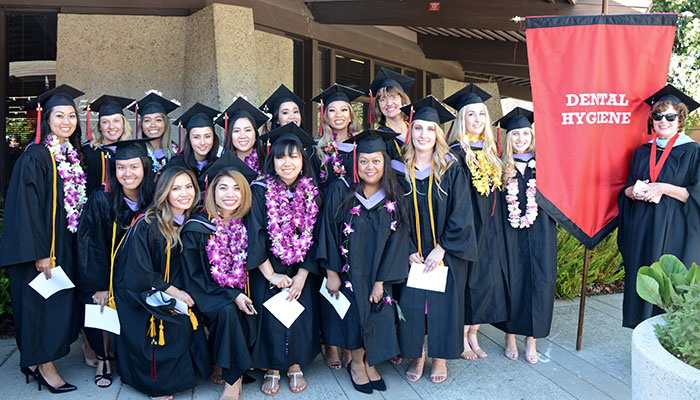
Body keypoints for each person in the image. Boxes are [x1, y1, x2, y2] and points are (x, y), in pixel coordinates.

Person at [0, 84, 86, 393]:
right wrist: (40, 253)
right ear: (45, 119)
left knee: (55, 305)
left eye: (71, 116)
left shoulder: (68, 155)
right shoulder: (37, 156)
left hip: (59, 244)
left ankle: (39, 362)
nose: (66, 121)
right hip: (41, 251)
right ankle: (42, 367)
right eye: (59, 116)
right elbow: (26, 209)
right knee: (41, 306)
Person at [316, 129, 409, 394]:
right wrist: (332, 272)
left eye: (376, 160)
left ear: (385, 163)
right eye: (364, 161)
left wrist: (381, 281)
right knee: (353, 317)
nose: (370, 166)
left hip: (378, 274)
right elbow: (329, 231)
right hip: (347, 274)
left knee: (378, 316)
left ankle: (370, 361)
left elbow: (398, 241)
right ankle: (356, 363)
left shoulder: (393, 196)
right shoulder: (340, 190)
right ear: (355, 162)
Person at [394, 96, 477, 383]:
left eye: (430, 130)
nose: (423, 135)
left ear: (438, 134)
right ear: (410, 132)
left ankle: (439, 358)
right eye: (418, 129)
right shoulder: (399, 170)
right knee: (414, 305)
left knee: (443, 305)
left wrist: (441, 248)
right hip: (412, 254)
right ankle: (417, 356)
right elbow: (394, 215)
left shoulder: (451, 168)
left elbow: (462, 212)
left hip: (446, 251)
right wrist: (407, 249)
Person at [113, 166, 204, 399]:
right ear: (164, 192)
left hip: (170, 287)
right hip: (140, 294)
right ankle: (157, 385)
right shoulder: (148, 223)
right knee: (168, 324)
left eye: (188, 187)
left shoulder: (189, 219)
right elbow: (139, 272)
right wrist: (176, 292)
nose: (184, 193)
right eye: (176, 188)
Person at [245, 123, 321, 395]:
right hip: (269, 267)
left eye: (293, 156)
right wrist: (270, 274)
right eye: (280, 157)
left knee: (299, 312)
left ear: (303, 160)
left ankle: (294, 364)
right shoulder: (260, 190)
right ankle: (272, 367)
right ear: (272, 160)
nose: (286, 163)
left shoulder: (312, 191)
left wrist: (302, 274)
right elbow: (254, 232)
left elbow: (317, 235)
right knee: (272, 315)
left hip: (301, 267)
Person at [617, 84, 700, 328]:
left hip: (675, 232)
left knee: (669, 284)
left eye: (670, 116)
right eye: (657, 116)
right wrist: (632, 192)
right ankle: (642, 336)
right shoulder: (642, 152)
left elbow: (695, 195)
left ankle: (668, 341)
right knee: (643, 281)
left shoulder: (693, 152)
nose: (663, 121)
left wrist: (662, 188)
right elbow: (627, 188)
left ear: (680, 119)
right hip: (642, 229)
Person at [76, 138, 156, 387]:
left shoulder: (153, 199)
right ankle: (103, 360)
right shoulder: (102, 199)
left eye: (134, 167)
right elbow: (92, 245)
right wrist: (100, 285)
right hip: (109, 274)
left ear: (144, 167)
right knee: (100, 304)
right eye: (121, 167)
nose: (127, 173)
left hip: (141, 275)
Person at [180, 168, 257, 400]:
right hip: (208, 291)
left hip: (248, 288)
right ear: (212, 192)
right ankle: (234, 380)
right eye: (223, 187)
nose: (229, 194)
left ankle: (230, 365)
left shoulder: (250, 222)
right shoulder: (198, 227)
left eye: (236, 188)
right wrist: (232, 294)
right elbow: (193, 275)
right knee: (228, 311)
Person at [443, 84, 507, 360]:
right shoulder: (455, 153)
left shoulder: (492, 155)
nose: (478, 119)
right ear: (462, 119)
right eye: (471, 114)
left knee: (483, 281)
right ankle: (460, 335)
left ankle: (473, 333)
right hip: (466, 227)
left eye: (482, 114)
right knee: (464, 281)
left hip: (489, 228)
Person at [491, 108, 556, 364]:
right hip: (508, 232)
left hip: (541, 232)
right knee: (511, 280)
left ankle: (531, 338)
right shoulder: (499, 166)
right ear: (508, 138)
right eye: (515, 134)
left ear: (532, 135)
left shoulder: (545, 165)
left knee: (540, 282)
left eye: (525, 133)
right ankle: (509, 334)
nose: (520, 138)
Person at [311, 83, 364, 193]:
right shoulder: (316, 150)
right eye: (332, 110)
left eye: (343, 110)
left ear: (350, 116)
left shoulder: (361, 145)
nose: (338, 115)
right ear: (326, 118)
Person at [82, 95, 134, 195]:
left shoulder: (132, 150)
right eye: (105, 122)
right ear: (100, 126)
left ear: (123, 124)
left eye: (116, 121)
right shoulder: (89, 152)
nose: (111, 127)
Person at [168, 102, 221, 192]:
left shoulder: (220, 165)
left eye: (207, 136)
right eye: (196, 137)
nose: (202, 142)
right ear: (189, 139)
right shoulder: (175, 165)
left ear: (214, 138)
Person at [215, 95, 270, 178]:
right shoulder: (221, 166)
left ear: (255, 133)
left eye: (248, 130)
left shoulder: (268, 163)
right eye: (236, 131)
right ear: (230, 135)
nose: (242, 136)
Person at [128, 90, 180, 177]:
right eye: (147, 120)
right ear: (141, 125)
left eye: (158, 120)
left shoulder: (175, 150)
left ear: (165, 124)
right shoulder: (135, 152)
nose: (153, 125)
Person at [367, 67, 414, 161]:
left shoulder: (416, 131)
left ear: (403, 100)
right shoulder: (379, 137)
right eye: (383, 99)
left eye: (393, 97)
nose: (389, 103)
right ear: (378, 105)